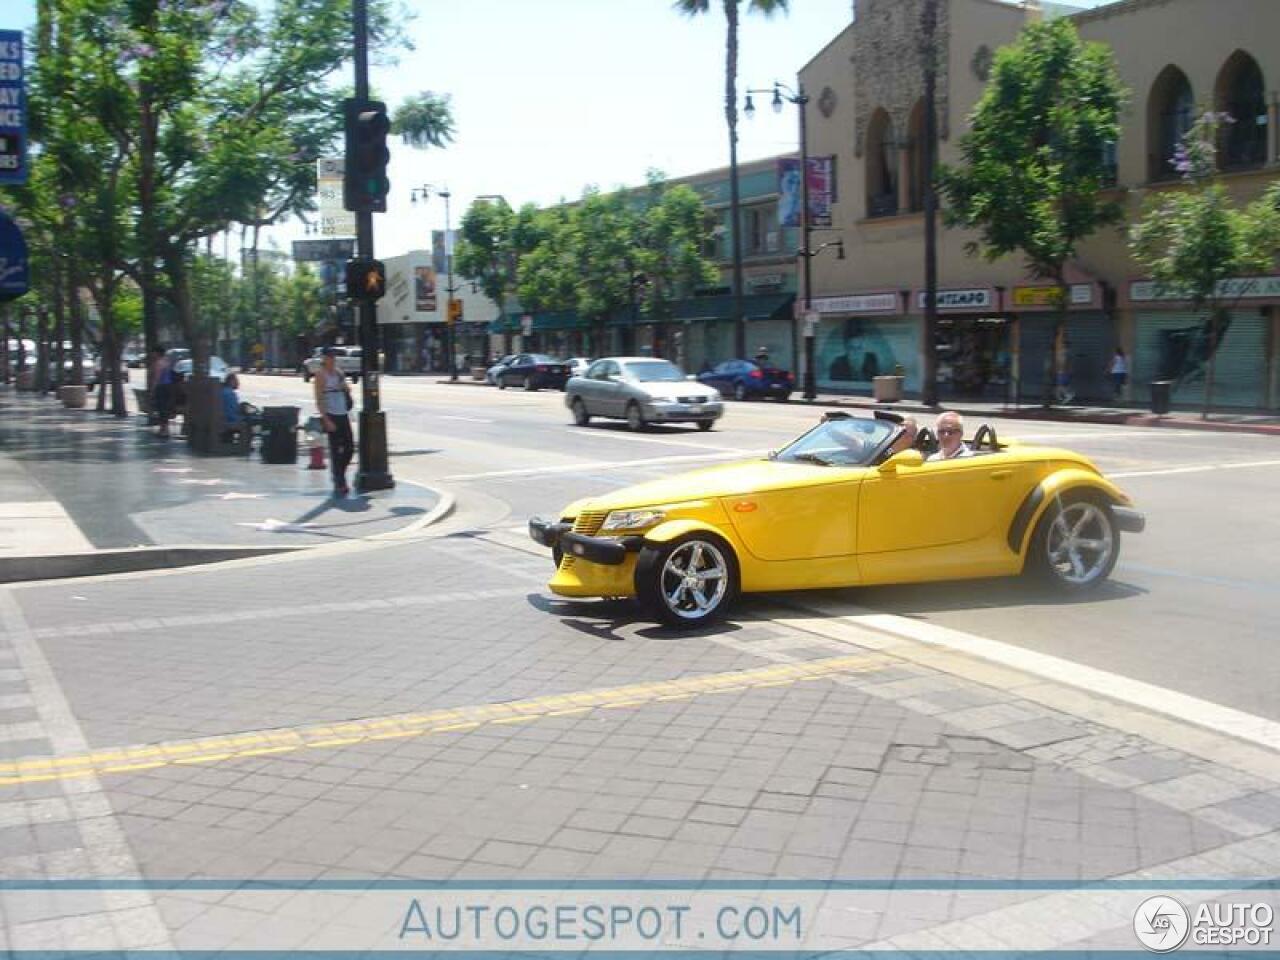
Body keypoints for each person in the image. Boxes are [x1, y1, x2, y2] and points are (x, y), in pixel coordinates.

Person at [313, 349, 355, 495]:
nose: (332, 359)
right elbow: (318, 399)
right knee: (336, 449)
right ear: (324, 358)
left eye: (333, 356)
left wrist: (346, 389)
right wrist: (326, 419)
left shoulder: (338, 372)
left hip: (342, 412)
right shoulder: (320, 375)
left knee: (349, 447)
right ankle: (340, 481)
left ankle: (339, 473)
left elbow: (347, 391)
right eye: (329, 357)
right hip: (331, 413)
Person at [149, 346, 174, 438]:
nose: (152, 354)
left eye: (153, 352)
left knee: (161, 408)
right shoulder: (167, 361)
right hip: (168, 386)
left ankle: (164, 430)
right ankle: (164, 429)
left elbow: (157, 378)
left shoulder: (159, 363)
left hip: (161, 387)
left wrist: (152, 390)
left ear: (157, 353)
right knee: (164, 408)